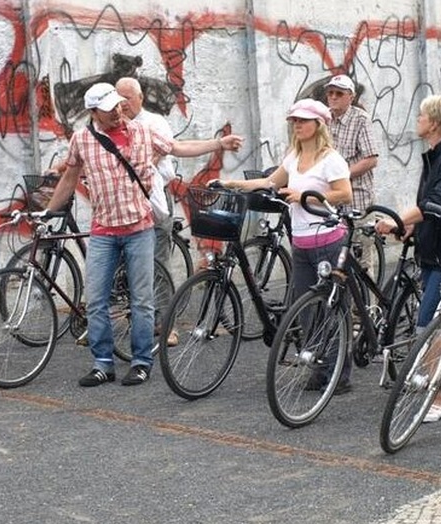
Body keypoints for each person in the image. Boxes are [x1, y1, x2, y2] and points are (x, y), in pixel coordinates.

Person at [45, 82, 242, 387]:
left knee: (141, 300)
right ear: (93, 112)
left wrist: (219, 144)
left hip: (139, 228)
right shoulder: (82, 140)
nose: (117, 112)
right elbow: (69, 179)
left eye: (119, 105)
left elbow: (178, 148)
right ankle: (103, 363)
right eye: (109, 108)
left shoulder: (141, 131)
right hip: (103, 231)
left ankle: (140, 362)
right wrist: (48, 214)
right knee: (96, 299)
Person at [211, 98, 354, 393]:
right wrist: (231, 184)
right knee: (305, 310)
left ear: (319, 125)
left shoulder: (331, 159)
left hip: (328, 240)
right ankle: (319, 367)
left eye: (303, 121)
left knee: (331, 309)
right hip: (301, 243)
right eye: (294, 121)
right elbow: (269, 183)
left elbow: (344, 194)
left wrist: (305, 195)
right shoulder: (293, 157)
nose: (297, 125)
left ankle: (338, 373)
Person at [375, 94, 441, 422]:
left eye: (421, 116)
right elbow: (434, 211)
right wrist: (413, 232)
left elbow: (435, 203)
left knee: (429, 326)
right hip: (434, 250)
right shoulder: (435, 156)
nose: (416, 120)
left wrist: (399, 221)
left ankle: (437, 399)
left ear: (434, 123)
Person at [115, 76, 179, 347]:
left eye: (128, 98)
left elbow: (160, 153)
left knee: (157, 263)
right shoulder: (113, 125)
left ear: (140, 98)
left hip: (154, 197)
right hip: (126, 200)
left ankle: (167, 326)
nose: (123, 103)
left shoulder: (154, 123)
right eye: (119, 98)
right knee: (127, 263)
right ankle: (139, 321)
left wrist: (136, 169)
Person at [324, 75, 380, 272]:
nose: (333, 97)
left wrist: (343, 176)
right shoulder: (324, 120)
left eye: (339, 93)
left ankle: (367, 303)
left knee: (362, 264)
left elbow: (371, 158)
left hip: (357, 200)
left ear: (351, 97)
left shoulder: (360, 119)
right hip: (332, 202)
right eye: (330, 93)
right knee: (333, 262)